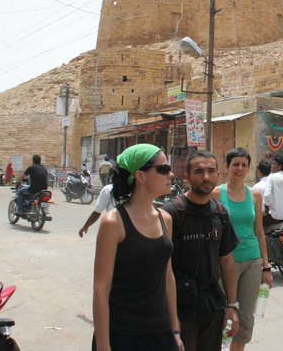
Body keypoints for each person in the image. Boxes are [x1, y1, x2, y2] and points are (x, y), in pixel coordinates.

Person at [92, 143, 184, 351]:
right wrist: (104, 345)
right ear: (141, 176)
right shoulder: (113, 222)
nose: (171, 174)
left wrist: (175, 329)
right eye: (163, 169)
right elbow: (101, 288)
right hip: (123, 334)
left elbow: (168, 276)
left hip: (160, 332)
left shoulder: (166, 219)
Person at [162, 150, 240, 351]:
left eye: (211, 171)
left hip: (212, 306)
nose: (206, 177)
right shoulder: (171, 213)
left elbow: (227, 262)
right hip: (180, 309)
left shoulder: (221, 213)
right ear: (187, 177)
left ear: (218, 174)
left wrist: (232, 306)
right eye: (199, 171)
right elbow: (161, 269)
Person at [212, 148, 272, 351]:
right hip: (225, 262)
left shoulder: (255, 194)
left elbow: (259, 231)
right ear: (227, 167)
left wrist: (266, 266)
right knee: (224, 316)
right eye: (235, 164)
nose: (240, 168)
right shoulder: (217, 194)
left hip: (252, 261)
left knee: (245, 319)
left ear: (249, 168)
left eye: (244, 165)